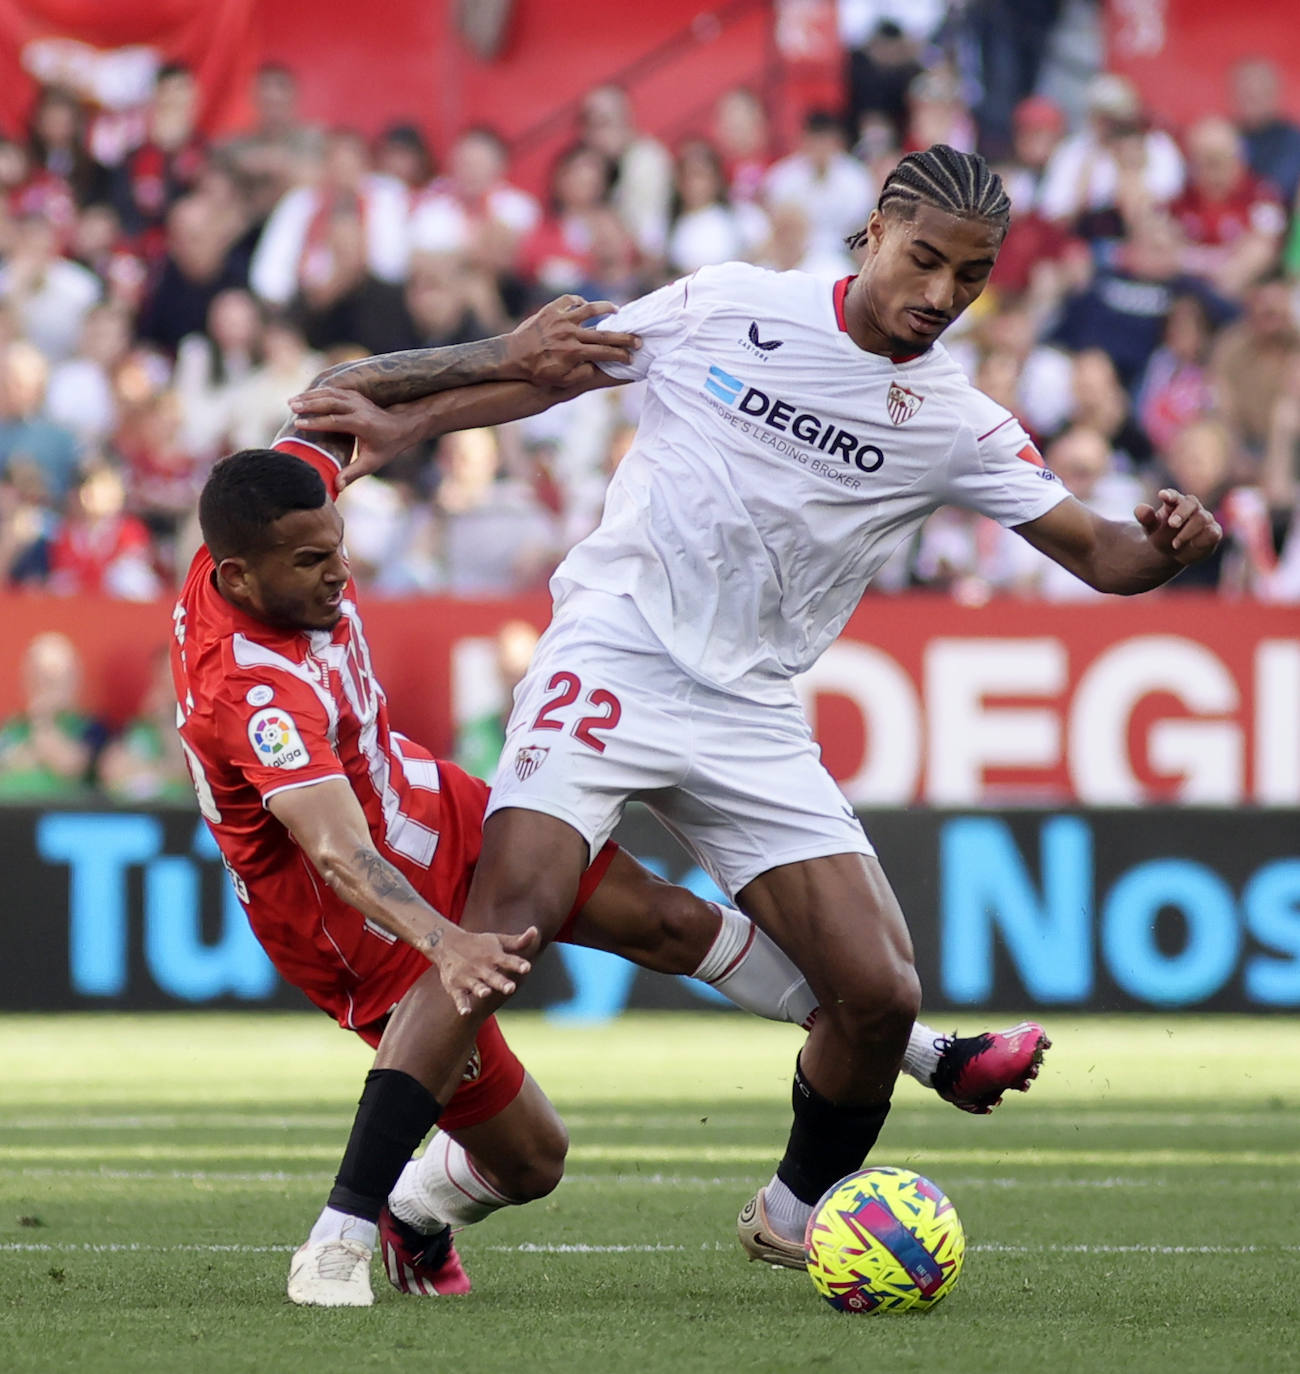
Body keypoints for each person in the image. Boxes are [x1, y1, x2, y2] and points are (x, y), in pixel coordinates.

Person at [292, 143, 1222, 1277]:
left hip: (749, 711)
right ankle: (342, 1229)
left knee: (878, 998)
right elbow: (561, 370)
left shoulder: (954, 423)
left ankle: (793, 1216)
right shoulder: (732, 303)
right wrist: (412, 422)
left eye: (970, 279)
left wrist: (1168, 547)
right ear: (875, 228)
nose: (939, 297)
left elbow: (1105, 557)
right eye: (924, 260)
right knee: (511, 917)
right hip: (616, 651)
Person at [176, 295, 1045, 1308]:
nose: (341, 573)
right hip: (346, 910)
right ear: (238, 575)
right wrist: (441, 939)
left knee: (674, 922)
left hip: (431, 802)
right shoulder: (249, 687)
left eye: (339, 547)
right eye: (313, 565)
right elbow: (333, 850)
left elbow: (341, 399)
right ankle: (364, 1227)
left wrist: (501, 353)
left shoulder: (274, 511)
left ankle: (925, 1051)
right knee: (532, 1159)